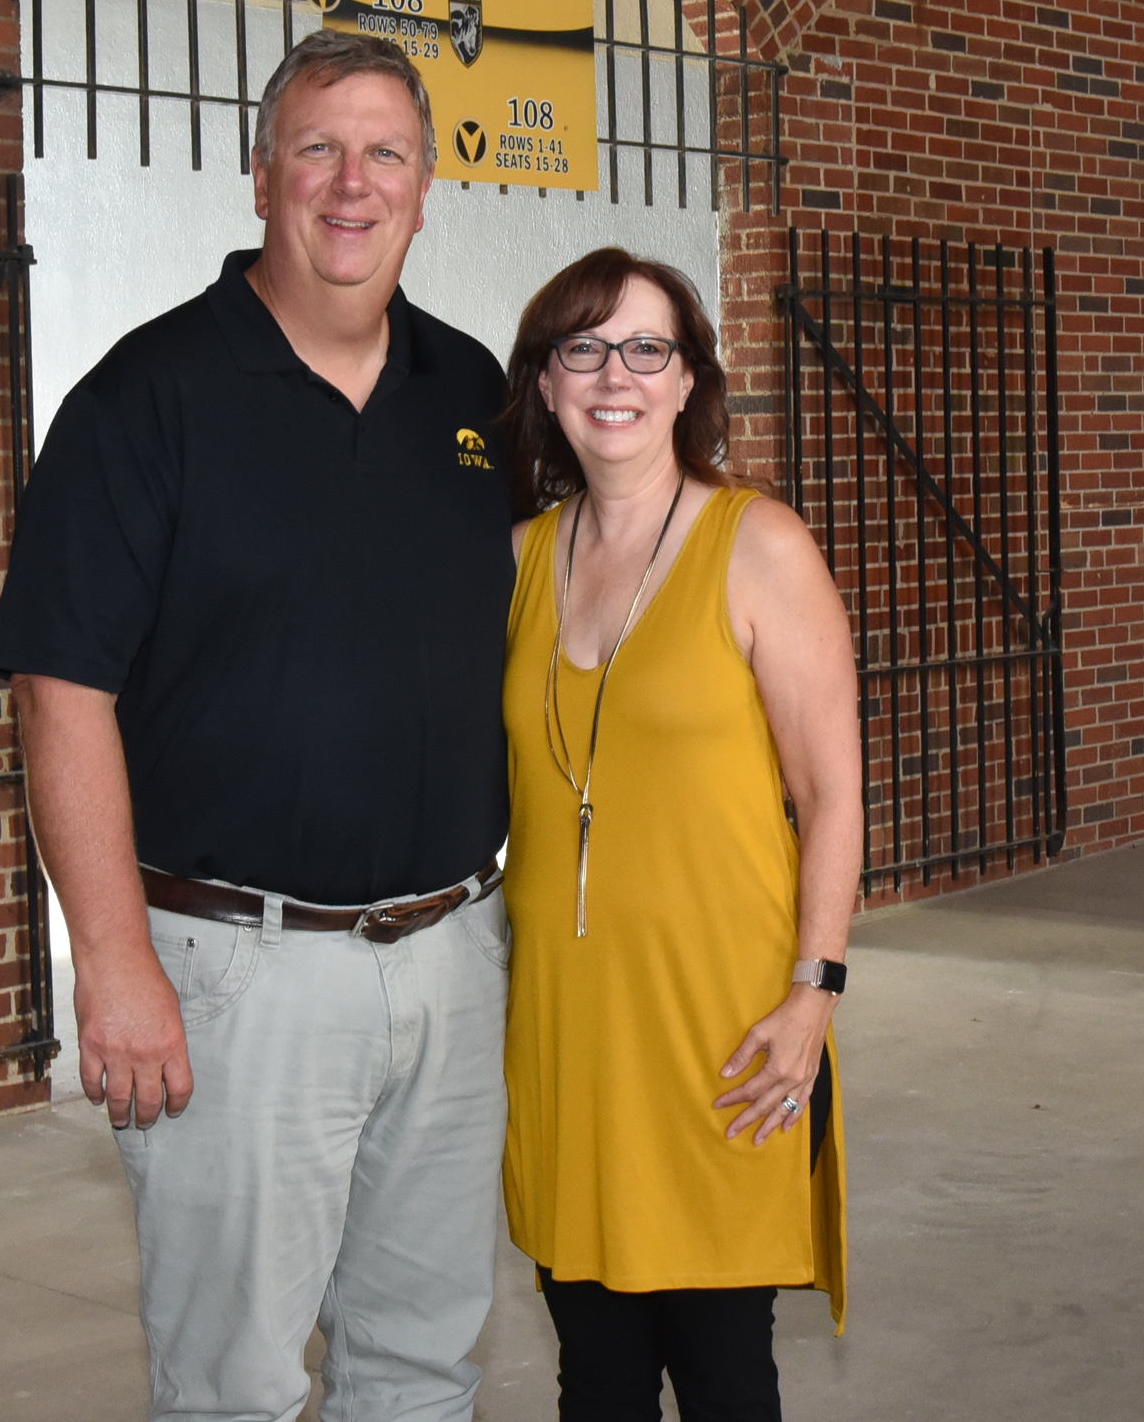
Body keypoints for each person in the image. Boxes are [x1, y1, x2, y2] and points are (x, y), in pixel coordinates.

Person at [0, 30, 516, 1422]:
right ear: (260, 172)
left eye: (385, 152)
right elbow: (60, 691)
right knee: (233, 1386)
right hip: (238, 974)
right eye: (319, 149)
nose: (353, 184)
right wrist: (112, 966)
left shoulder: (472, 399)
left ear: (425, 182)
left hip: (456, 961)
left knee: (423, 1364)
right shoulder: (143, 400)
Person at [498, 248, 862, 1422]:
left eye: (648, 348)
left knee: (721, 1369)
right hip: (568, 1027)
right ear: (546, 384)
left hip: (725, 1030)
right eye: (584, 349)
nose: (617, 375)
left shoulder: (759, 545)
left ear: (691, 379)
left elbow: (833, 795)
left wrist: (814, 991)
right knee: (593, 1372)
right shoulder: (517, 560)